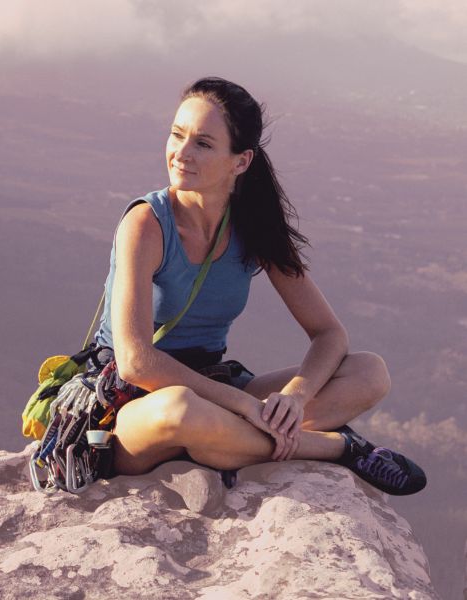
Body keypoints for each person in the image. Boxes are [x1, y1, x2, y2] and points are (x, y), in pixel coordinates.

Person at [92, 77, 425, 495]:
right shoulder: (146, 224)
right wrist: (245, 406)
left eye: (204, 144)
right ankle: (338, 448)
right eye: (177, 135)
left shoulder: (251, 225)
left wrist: (296, 398)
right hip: (137, 403)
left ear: (241, 161)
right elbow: (135, 363)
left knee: (369, 371)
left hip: (215, 388)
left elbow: (329, 334)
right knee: (180, 410)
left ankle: (229, 445)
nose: (181, 153)